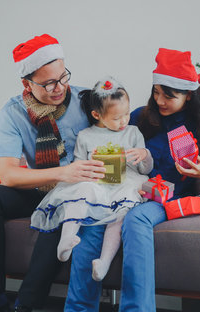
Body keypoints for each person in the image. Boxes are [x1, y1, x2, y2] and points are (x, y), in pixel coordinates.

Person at [64, 48, 200, 311]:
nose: (160, 100)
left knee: (136, 218)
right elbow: (107, 128)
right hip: (128, 188)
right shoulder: (141, 116)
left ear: (188, 96)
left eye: (169, 96)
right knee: (93, 219)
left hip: (167, 197)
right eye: (156, 92)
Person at [0, 34, 106, 312]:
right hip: (44, 188)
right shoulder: (13, 113)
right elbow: (8, 175)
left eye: (63, 77)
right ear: (26, 84)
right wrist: (63, 173)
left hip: (82, 195)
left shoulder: (86, 101)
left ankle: (24, 305)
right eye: (48, 84)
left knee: (61, 210)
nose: (59, 88)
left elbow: (124, 120)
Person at [30, 76, 153, 282]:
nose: (123, 121)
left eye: (126, 114)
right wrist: (93, 164)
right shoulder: (86, 136)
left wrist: (144, 155)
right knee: (81, 192)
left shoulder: (133, 132)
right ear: (97, 114)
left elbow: (145, 169)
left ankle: (104, 261)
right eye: (116, 118)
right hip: (97, 183)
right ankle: (66, 239)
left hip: (125, 184)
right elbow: (79, 168)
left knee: (121, 214)